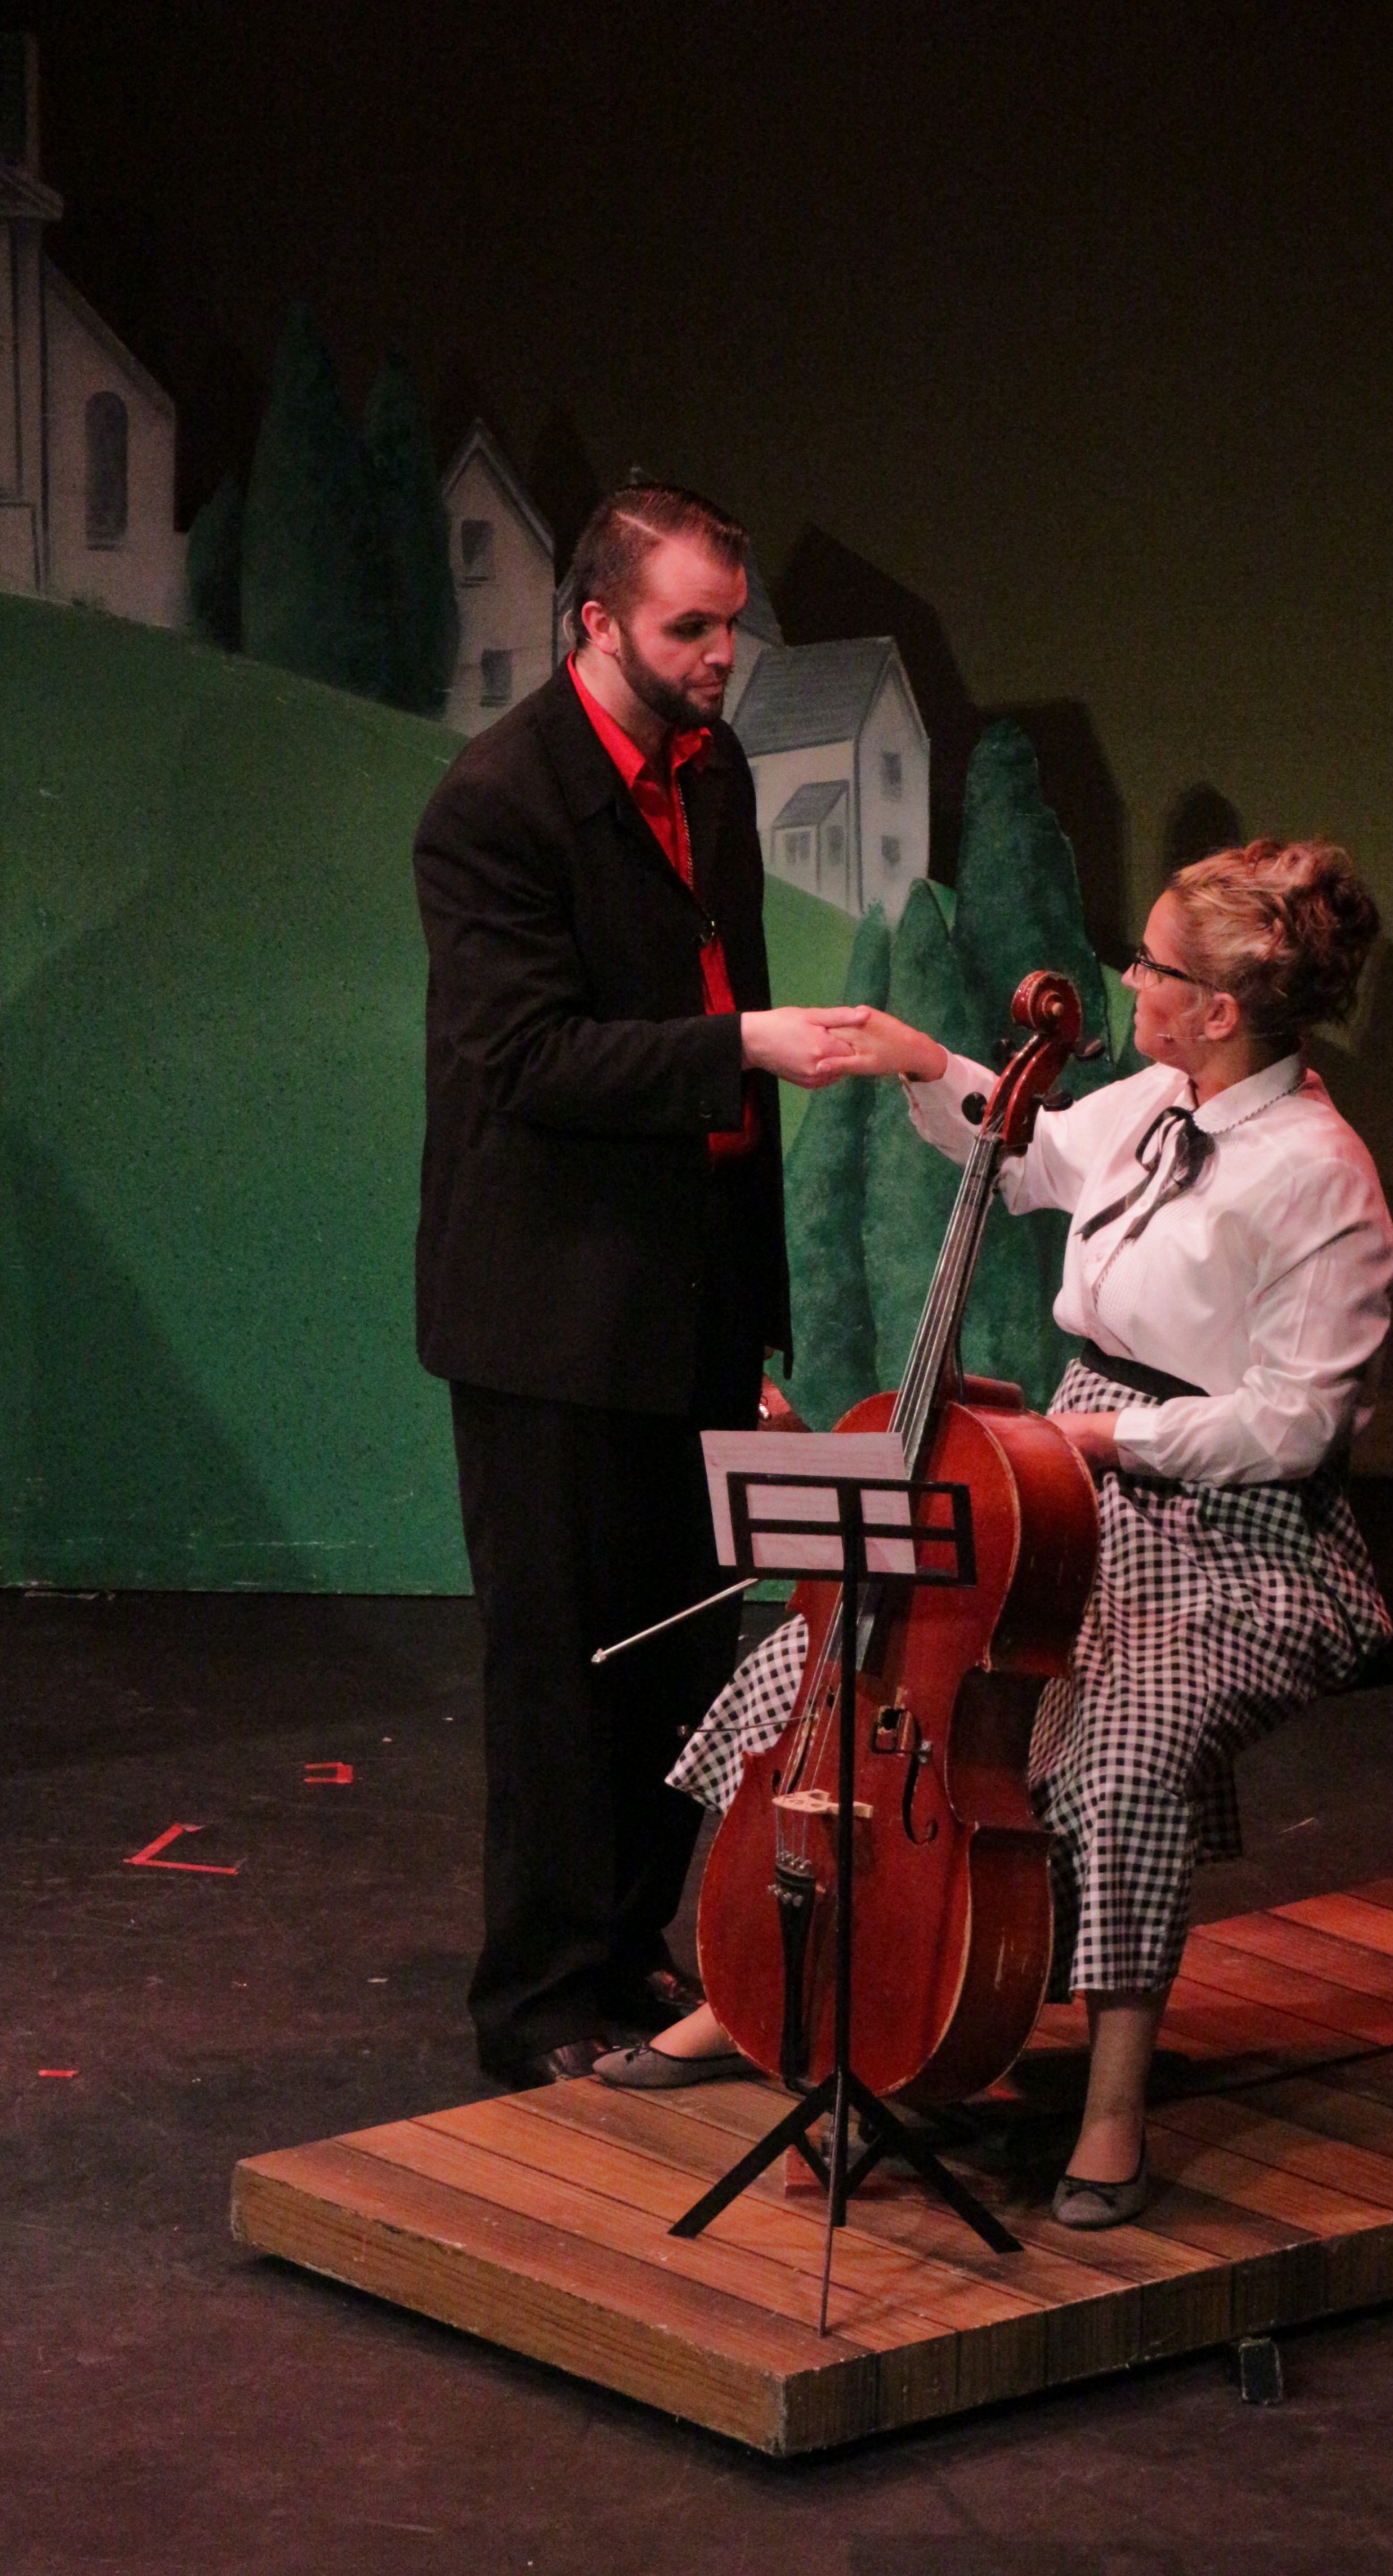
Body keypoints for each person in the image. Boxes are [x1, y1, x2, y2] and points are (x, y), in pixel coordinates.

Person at [599, 839, 1393, 2232]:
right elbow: (1024, 1147)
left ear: (1219, 1008)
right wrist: (923, 1060)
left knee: (1121, 1748)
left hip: (1235, 1534)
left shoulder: (1323, 1177)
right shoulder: (1154, 1100)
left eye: (1153, 964)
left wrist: (1113, 1440)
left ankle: (1112, 2103)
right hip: (1061, 1479)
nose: (1130, 979)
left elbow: (1297, 1425)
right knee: (822, 1669)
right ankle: (773, 1983)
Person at [412, 481, 860, 2089]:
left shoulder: (711, 767)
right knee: (561, 1665)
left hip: (691, 1287)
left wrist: (746, 1308)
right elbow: (524, 1056)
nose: (722, 654)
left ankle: (625, 1946)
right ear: (596, 621)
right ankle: (538, 1999)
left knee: (685, 1649)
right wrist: (742, 1046)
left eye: (732, 624)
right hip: (551, 1309)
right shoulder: (497, 803)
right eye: (691, 627)